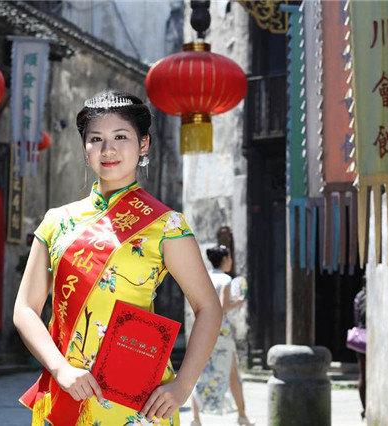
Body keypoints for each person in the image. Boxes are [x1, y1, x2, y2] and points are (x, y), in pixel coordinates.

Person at [14, 90, 223, 425]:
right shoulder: (57, 221)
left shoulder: (166, 225)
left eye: (121, 137)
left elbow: (209, 307)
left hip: (138, 399)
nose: (108, 149)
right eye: (96, 139)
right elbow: (25, 308)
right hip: (67, 389)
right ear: (85, 149)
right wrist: (60, 369)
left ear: (144, 145)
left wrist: (182, 386)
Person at [190, 245, 254, 426]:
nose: (231, 261)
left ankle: (196, 419)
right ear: (225, 259)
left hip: (202, 328)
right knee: (233, 373)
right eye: (229, 257)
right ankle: (242, 416)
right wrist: (238, 302)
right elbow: (222, 307)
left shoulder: (204, 278)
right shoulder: (225, 279)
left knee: (200, 371)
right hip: (221, 331)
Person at [353, 284, 366, 420]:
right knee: (365, 375)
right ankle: (366, 408)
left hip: (361, 336)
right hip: (368, 337)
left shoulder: (359, 296)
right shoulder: (366, 296)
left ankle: (365, 408)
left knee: (363, 374)